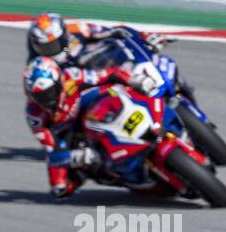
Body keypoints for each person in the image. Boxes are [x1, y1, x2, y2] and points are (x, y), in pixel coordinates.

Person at [22, 55, 155, 199]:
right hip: (68, 133)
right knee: (60, 188)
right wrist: (74, 156)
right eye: (39, 96)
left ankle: (151, 111)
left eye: (49, 92)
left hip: (88, 105)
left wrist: (133, 80)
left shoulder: (71, 76)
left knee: (123, 90)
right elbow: (52, 151)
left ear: (59, 81)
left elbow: (109, 74)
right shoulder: (34, 115)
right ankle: (103, 170)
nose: (47, 99)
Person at [26, 11, 167, 65]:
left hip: (104, 67)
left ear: (63, 36)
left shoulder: (77, 29)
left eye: (53, 45)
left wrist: (143, 36)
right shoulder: (38, 65)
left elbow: (117, 30)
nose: (50, 51)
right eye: (44, 47)